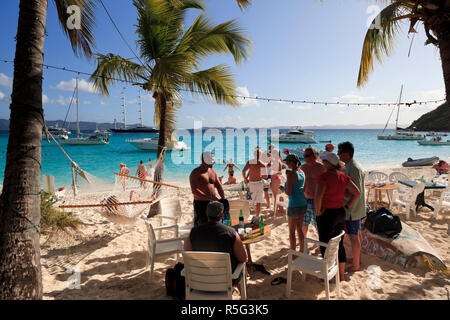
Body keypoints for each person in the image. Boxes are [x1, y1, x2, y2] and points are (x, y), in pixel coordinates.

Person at [314, 152, 360, 281]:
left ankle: (326, 276)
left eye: (324, 161)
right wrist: (347, 207)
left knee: (325, 244)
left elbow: (318, 196)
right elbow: (357, 193)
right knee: (339, 243)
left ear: (328, 163)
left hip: (327, 214)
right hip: (340, 212)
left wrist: (318, 213)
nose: (322, 163)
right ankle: (341, 274)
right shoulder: (343, 176)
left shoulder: (324, 177)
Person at [184, 201, 247, 288]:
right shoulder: (231, 233)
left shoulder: (194, 232)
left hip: (199, 279)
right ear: (221, 216)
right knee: (239, 266)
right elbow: (243, 258)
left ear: (206, 213)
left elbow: (188, 255)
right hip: (224, 281)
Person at [338, 142, 366, 272]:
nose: (338, 155)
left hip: (353, 209)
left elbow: (356, 191)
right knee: (357, 235)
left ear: (346, 153)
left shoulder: (352, 168)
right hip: (357, 208)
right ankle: (357, 260)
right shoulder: (354, 165)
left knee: (354, 237)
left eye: (340, 152)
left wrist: (346, 205)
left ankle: (355, 266)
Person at [280, 154, 308, 251]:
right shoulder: (302, 172)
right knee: (300, 229)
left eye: (287, 162)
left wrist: (283, 188)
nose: (286, 164)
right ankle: (301, 250)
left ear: (292, 162)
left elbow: (289, 192)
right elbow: (303, 188)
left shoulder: (291, 174)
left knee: (292, 232)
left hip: (294, 204)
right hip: (303, 202)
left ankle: (293, 253)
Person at [189, 152, 225, 227]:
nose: (213, 162)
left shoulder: (212, 172)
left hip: (213, 203)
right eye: (211, 160)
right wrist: (211, 198)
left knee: (215, 225)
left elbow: (219, 186)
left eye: (213, 160)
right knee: (201, 226)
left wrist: (223, 198)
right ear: (203, 160)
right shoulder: (195, 173)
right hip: (201, 204)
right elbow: (194, 191)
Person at [300, 147, 325, 238]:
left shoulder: (321, 167)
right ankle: (304, 239)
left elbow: (327, 183)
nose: (304, 157)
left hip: (317, 200)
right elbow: (301, 184)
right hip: (305, 199)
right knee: (304, 221)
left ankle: (320, 241)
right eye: (304, 156)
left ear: (314, 156)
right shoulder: (303, 167)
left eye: (307, 155)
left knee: (318, 222)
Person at [242, 147, 267, 216]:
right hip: (259, 183)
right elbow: (265, 176)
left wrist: (245, 178)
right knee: (259, 201)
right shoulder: (263, 164)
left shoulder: (250, 162)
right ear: (261, 155)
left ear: (254, 154)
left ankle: (245, 215)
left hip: (252, 183)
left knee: (248, 201)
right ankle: (257, 216)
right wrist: (259, 175)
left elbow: (243, 171)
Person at [270, 149, 284, 216]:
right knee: (278, 195)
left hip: (276, 180)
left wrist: (273, 173)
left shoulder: (278, 161)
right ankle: (281, 209)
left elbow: (280, 172)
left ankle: (275, 211)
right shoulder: (275, 161)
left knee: (276, 196)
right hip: (275, 180)